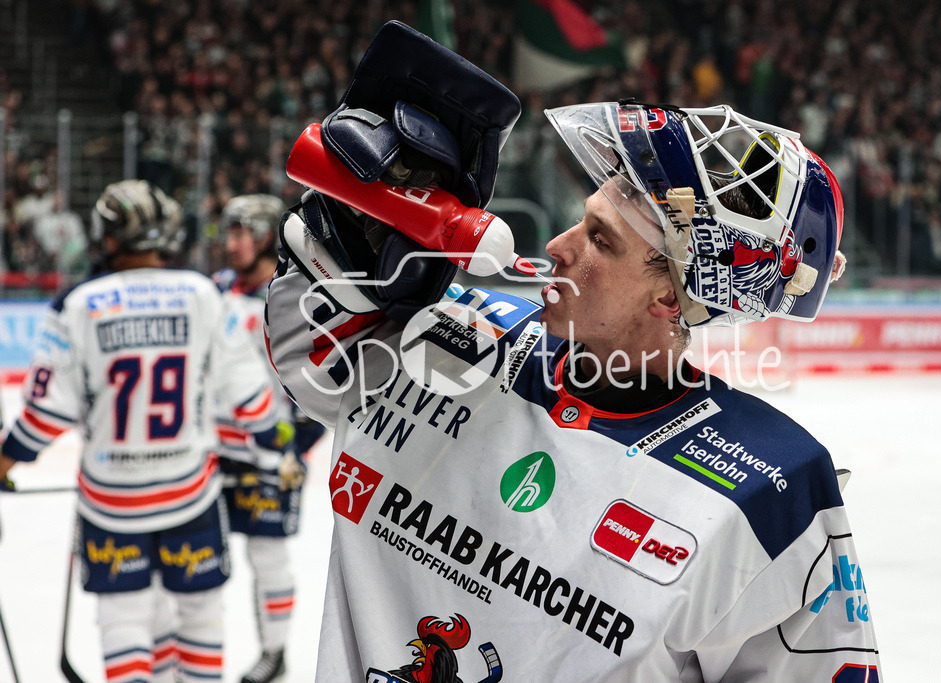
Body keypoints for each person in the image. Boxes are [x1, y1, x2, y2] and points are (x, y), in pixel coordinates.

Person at [264, 22, 881, 682]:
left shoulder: (773, 493)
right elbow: (310, 356)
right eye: (580, 220)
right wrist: (347, 231)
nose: (558, 246)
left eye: (600, 239)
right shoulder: (449, 340)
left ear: (667, 297)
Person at [0, 179, 295, 683]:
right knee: (200, 618)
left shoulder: (77, 304)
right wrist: (277, 445)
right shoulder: (204, 294)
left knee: (125, 620)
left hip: (111, 502)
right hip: (190, 496)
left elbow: (44, 416)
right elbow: (252, 398)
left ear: (108, 235)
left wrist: (5, 459)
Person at [213, 194, 325, 683]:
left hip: (269, 453)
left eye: (240, 233)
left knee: (268, 559)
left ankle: (274, 654)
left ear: (264, 237)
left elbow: (320, 382)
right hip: (214, 449)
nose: (230, 243)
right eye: (229, 232)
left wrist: (296, 447)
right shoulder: (216, 289)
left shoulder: (291, 296)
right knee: (202, 562)